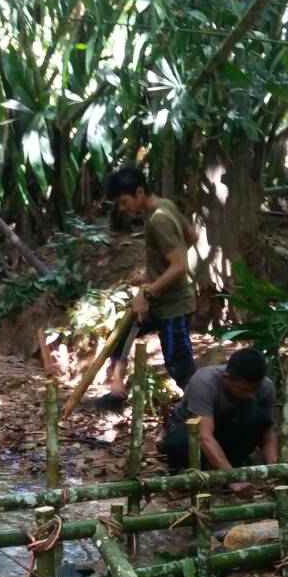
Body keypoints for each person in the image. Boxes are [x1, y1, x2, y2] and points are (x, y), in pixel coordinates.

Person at [97, 165, 199, 409]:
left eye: (124, 202)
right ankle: (117, 391)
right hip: (159, 301)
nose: (123, 208)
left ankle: (202, 412)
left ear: (139, 192)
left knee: (179, 366)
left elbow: (179, 266)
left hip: (174, 305)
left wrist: (149, 291)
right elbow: (192, 236)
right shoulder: (165, 206)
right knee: (122, 334)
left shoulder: (158, 219)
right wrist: (165, 267)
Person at [160, 347, 277, 497]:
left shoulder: (266, 387)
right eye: (244, 390)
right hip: (190, 433)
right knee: (182, 442)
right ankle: (188, 470)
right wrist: (233, 479)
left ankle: (230, 465)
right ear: (226, 378)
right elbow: (204, 436)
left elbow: (267, 430)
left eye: (255, 389)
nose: (250, 395)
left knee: (256, 416)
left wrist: (275, 469)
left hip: (227, 431)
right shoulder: (204, 382)